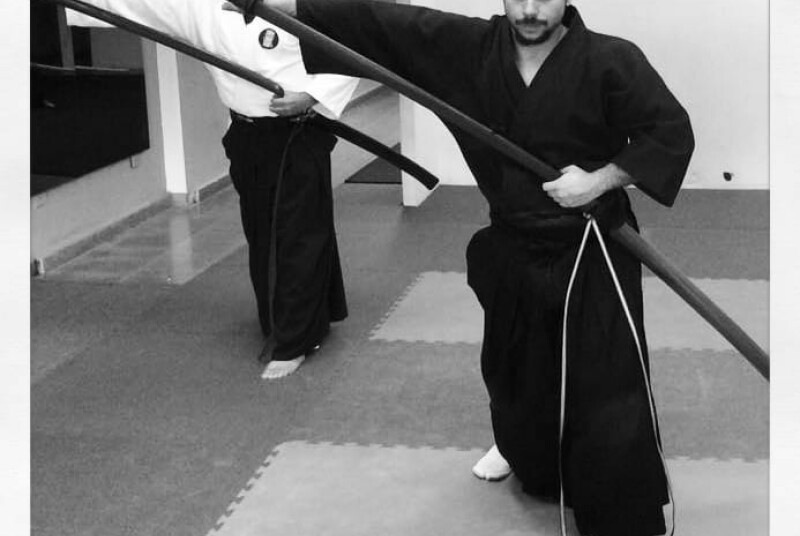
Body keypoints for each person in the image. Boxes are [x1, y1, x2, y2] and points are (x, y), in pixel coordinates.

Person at [245, 0, 694, 534]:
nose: (530, 9)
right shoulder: (468, 51)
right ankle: (527, 455)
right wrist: (270, 4)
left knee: (607, 388)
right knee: (515, 372)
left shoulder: (612, 60)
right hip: (514, 243)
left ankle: (616, 517)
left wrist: (598, 180)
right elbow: (380, 24)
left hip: (592, 243)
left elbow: (668, 133)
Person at [67, 0, 359, 380]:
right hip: (246, 135)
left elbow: (352, 44)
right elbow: (139, 4)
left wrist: (311, 96)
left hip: (300, 133)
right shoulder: (203, 8)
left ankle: (294, 341)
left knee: (296, 233)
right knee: (263, 232)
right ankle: (313, 315)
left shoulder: (301, 4)